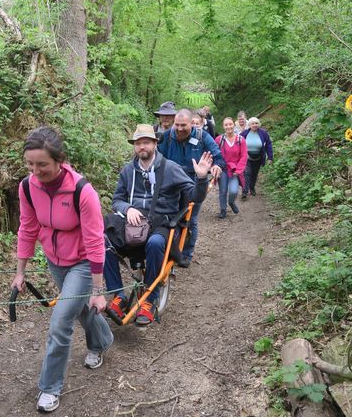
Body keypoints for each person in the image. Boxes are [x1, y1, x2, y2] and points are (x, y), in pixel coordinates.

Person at [12, 126, 113, 413]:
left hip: (82, 263)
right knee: (78, 309)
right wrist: (21, 271)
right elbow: (27, 228)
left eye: (42, 164)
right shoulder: (27, 187)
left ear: (60, 160)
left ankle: (49, 387)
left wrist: (97, 290)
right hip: (54, 260)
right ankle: (103, 341)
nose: (35, 170)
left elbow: (95, 242)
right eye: (30, 164)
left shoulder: (82, 191)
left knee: (60, 321)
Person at [104, 124, 212, 325]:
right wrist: (128, 208)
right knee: (102, 241)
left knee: (154, 243)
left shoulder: (171, 168)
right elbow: (117, 199)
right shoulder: (128, 170)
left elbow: (195, 197)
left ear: (155, 144)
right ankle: (118, 295)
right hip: (132, 221)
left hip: (161, 221)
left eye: (146, 142)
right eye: (138, 143)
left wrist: (201, 177)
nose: (141, 147)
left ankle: (149, 301)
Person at [158, 109, 225, 264]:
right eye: (177, 125)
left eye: (184, 125)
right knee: (170, 218)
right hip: (171, 184)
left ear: (192, 123)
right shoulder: (167, 137)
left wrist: (217, 167)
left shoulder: (202, 137)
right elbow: (157, 158)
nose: (180, 129)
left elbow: (219, 157)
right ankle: (170, 250)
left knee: (191, 219)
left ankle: (187, 253)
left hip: (194, 183)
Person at [214, 118, 248, 218]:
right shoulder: (219, 140)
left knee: (234, 190)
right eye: (226, 125)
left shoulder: (240, 139)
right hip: (222, 169)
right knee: (223, 190)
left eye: (230, 124)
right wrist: (215, 166)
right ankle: (223, 210)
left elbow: (244, 155)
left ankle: (231, 202)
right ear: (223, 126)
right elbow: (214, 153)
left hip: (234, 170)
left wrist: (238, 170)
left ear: (234, 125)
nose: (228, 126)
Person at [240, 117, 273, 198]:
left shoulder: (263, 133)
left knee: (254, 174)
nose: (255, 125)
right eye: (253, 123)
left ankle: (252, 188)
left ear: (259, 124)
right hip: (247, 157)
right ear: (249, 125)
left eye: (256, 123)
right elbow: (238, 144)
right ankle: (245, 191)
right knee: (247, 173)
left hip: (258, 157)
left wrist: (270, 157)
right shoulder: (244, 134)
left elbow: (269, 145)